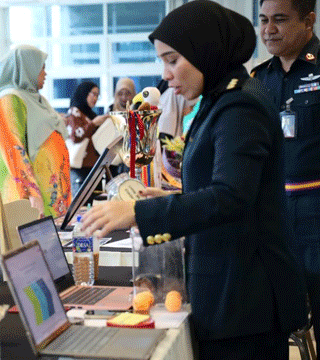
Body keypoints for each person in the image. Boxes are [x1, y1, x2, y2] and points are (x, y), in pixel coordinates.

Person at [82, 1, 307, 358]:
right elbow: (229, 183)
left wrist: (141, 213)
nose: (166, 74)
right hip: (231, 291)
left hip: (244, 298)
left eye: (173, 60)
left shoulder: (239, 106)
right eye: (163, 62)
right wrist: (171, 196)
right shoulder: (220, 100)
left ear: (205, 51)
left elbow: (232, 196)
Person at [252, 0, 320, 349]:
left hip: (315, 209)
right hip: (274, 212)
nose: (268, 30)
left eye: (280, 20)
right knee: (276, 317)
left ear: (309, 21)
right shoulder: (258, 78)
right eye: (263, 20)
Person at [0, 45, 71, 218]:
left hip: (48, 196)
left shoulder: (36, 100)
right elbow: (13, 148)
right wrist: (32, 192)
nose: (45, 74)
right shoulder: (8, 100)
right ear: (27, 67)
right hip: (22, 197)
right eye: (41, 68)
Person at [64, 81, 109, 194]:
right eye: (93, 94)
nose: (95, 98)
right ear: (84, 93)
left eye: (97, 95)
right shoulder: (74, 112)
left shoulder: (89, 114)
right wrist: (93, 123)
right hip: (80, 168)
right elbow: (75, 136)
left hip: (93, 166)